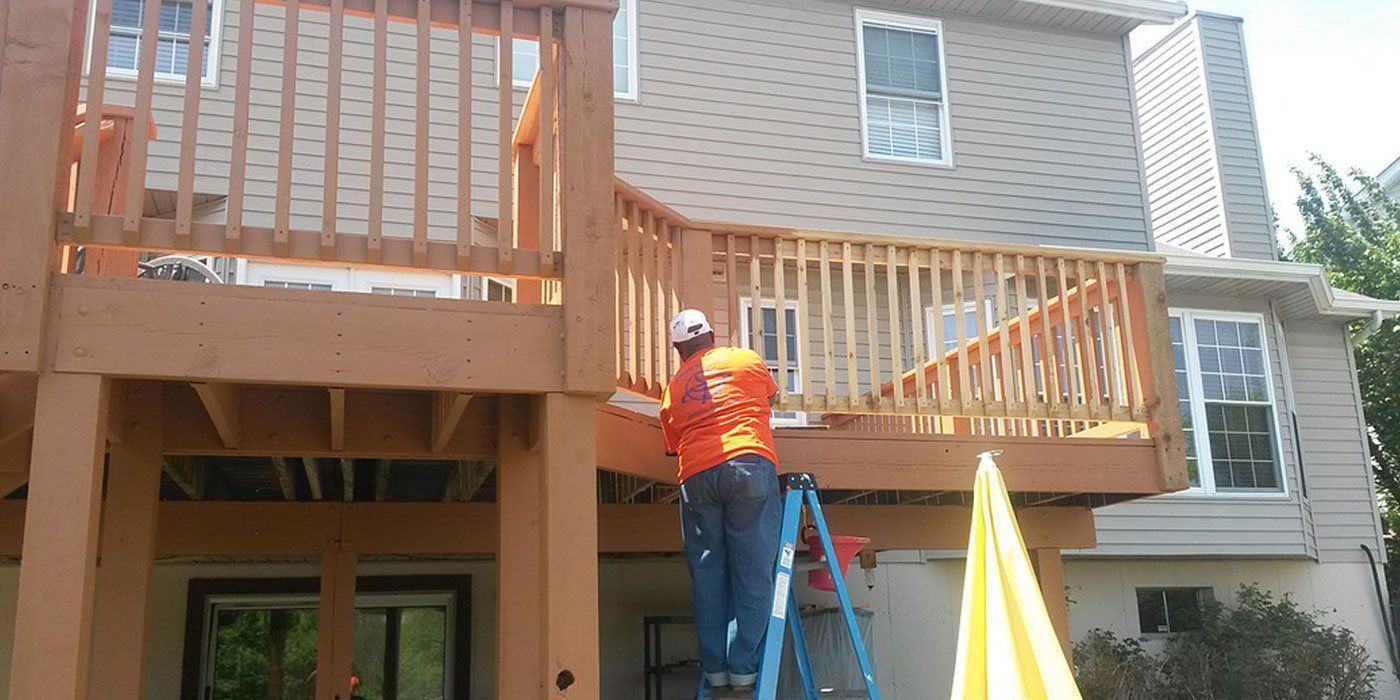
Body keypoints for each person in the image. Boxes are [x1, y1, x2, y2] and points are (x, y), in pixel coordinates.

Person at [659, 309, 783, 694]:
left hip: (697, 477)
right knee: (753, 566)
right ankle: (744, 667)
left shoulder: (674, 387)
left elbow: (672, 445)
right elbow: (771, 397)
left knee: (709, 574)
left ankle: (716, 671)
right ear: (711, 335)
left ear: (679, 348)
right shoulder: (746, 359)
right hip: (747, 462)